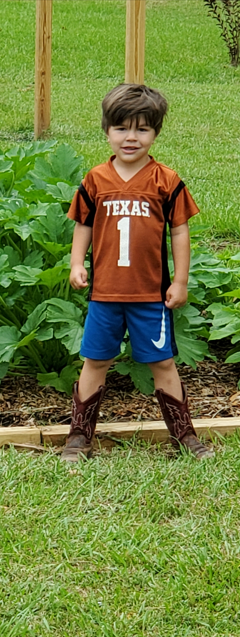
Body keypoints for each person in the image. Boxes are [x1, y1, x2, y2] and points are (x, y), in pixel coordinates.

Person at [62, 83, 214, 462]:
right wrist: (76, 262)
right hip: (105, 295)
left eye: (142, 129)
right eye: (122, 128)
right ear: (106, 131)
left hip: (150, 295)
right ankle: (79, 437)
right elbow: (83, 223)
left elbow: (179, 230)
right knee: (95, 360)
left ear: (156, 133)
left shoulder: (167, 180)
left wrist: (180, 280)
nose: (131, 138)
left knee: (163, 362)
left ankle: (186, 438)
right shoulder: (96, 179)